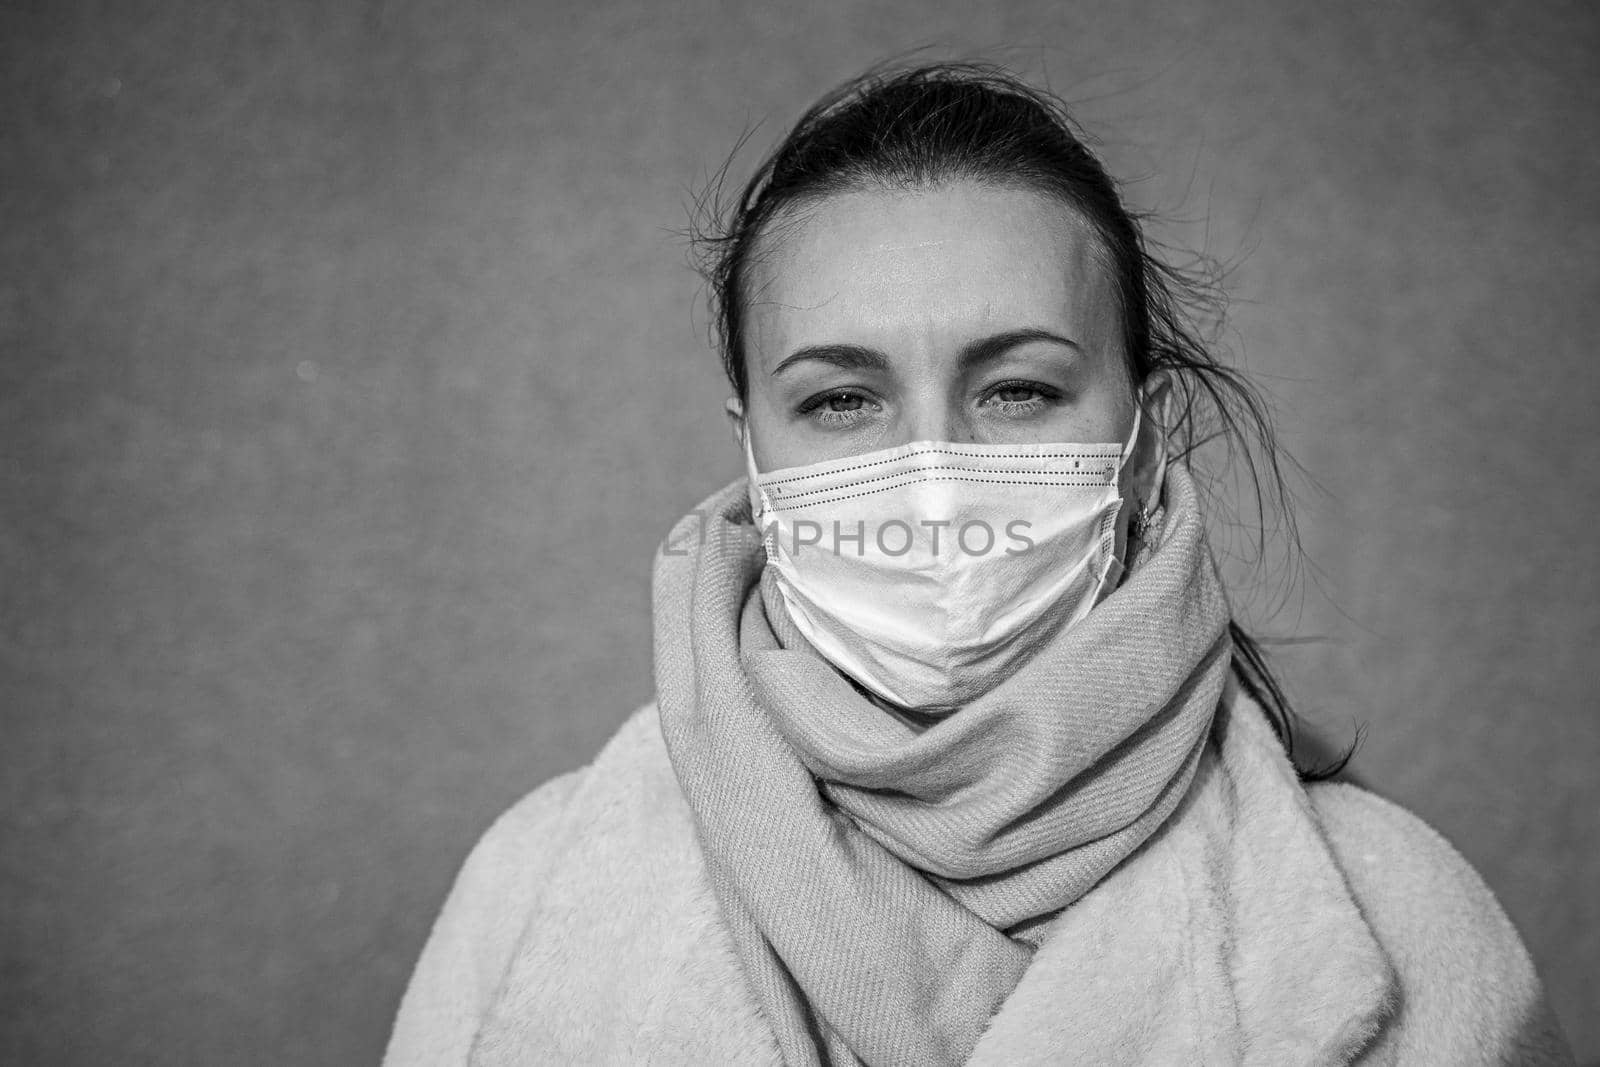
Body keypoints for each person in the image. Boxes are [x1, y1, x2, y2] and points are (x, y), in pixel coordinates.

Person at [384, 63, 1573, 1065]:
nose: (933, 473)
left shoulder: (1405, 914)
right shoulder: (530, 885)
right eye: (842, 398)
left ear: (1142, 441)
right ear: (751, 449)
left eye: (1017, 389)